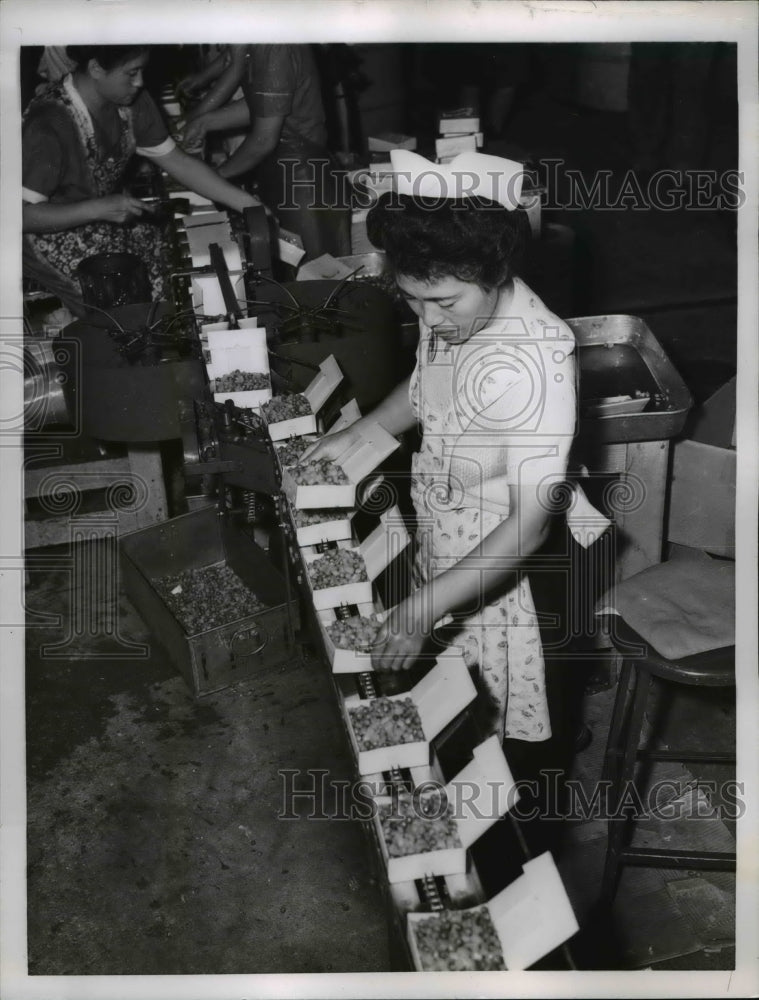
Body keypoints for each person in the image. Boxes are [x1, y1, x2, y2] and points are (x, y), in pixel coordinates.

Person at [306, 150, 605, 850]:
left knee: (511, 743)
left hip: (515, 570)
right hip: (449, 538)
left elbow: (529, 523)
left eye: (442, 302)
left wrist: (424, 605)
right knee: (454, 704)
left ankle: (517, 849)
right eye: (411, 299)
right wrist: (360, 433)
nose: (428, 319)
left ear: (496, 273)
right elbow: (421, 393)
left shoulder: (536, 358)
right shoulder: (453, 315)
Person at [22, 44, 260, 315]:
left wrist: (248, 204)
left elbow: (178, 162)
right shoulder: (50, 122)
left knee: (166, 274)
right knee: (126, 310)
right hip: (42, 237)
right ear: (96, 68)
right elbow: (19, 217)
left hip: (97, 219)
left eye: (142, 70)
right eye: (131, 72)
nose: (140, 82)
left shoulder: (131, 102)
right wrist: (98, 209)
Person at [182, 44, 350, 261]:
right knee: (291, 278)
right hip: (284, 173)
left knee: (316, 281)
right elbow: (267, 107)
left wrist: (214, 179)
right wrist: (205, 122)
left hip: (303, 182)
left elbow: (263, 140)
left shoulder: (273, 48)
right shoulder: (260, 41)